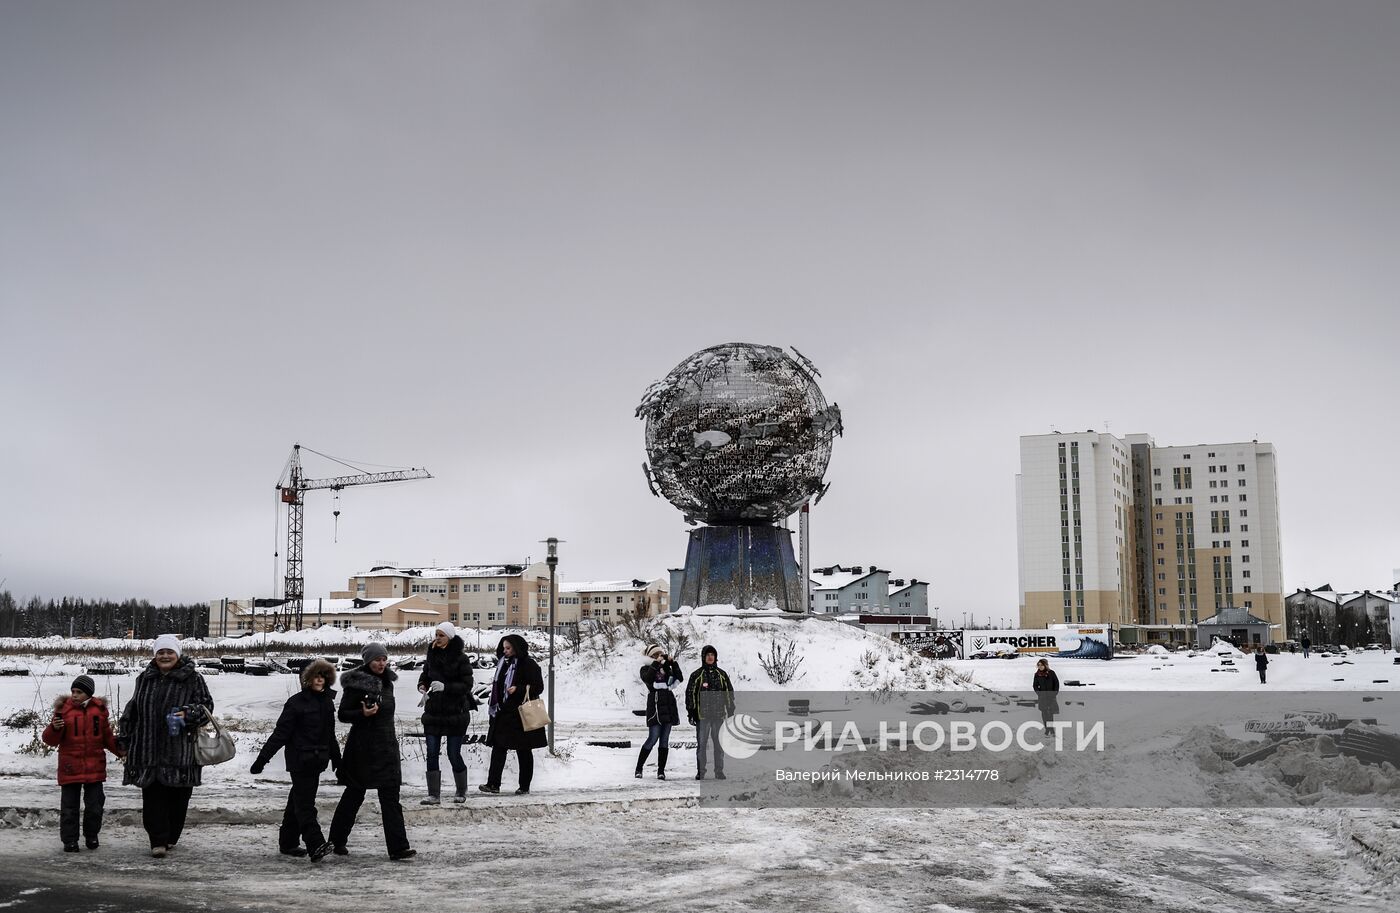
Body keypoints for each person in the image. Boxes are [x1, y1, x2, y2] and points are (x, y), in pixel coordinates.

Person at [118, 634, 213, 858]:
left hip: (180, 751)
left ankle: (170, 838)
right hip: (147, 748)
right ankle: (157, 841)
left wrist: (188, 713)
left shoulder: (192, 678)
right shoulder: (144, 678)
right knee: (153, 797)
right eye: (161, 652)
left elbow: (206, 706)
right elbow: (132, 710)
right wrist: (125, 737)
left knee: (178, 800)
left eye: (169, 652)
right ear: (155, 655)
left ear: (177, 654)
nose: (165, 656)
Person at [328, 643, 415, 860]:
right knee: (353, 796)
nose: (381, 663)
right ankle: (336, 840)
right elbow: (343, 714)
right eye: (377, 659)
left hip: (386, 747)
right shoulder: (356, 682)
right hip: (363, 749)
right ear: (368, 661)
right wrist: (362, 713)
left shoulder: (388, 683)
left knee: (391, 799)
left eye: (384, 659)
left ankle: (398, 847)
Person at [250, 659, 340, 861]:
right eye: (315, 676)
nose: (319, 680)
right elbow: (280, 734)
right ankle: (315, 844)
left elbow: (330, 734)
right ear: (306, 679)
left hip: (318, 761)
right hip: (300, 761)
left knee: (297, 801)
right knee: (306, 805)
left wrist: (337, 759)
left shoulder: (327, 702)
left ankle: (288, 842)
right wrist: (262, 760)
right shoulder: (296, 703)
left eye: (322, 676)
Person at [42, 674, 123, 852]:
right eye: (73, 691)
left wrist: (122, 752)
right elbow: (50, 740)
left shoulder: (99, 712)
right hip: (70, 768)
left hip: (95, 767)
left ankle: (92, 835)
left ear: (89, 694)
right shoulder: (64, 711)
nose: (75, 695)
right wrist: (54, 728)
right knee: (69, 808)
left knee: (95, 806)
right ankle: (70, 840)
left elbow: (107, 738)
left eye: (79, 692)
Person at [478, 633, 546, 796]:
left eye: (508, 648)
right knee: (499, 747)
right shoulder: (503, 664)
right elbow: (499, 685)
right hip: (503, 713)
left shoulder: (529, 665)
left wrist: (519, 689)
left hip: (521, 714)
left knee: (523, 750)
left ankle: (524, 786)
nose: (505, 651)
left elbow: (538, 687)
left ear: (517, 648)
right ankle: (493, 784)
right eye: (504, 648)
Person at [417, 621, 476, 804]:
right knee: (432, 752)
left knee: (453, 753)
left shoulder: (461, 658)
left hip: (455, 713)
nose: (437, 638)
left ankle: (461, 790)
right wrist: (422, 685)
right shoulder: (431, 655)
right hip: (434, 711)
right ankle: (433, 794)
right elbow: (425, 675)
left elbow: (467, 685)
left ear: (450, 637)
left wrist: (446, 687)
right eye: (436, 634)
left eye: (441, 635)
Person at [685, 644, 735, 781]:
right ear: (703, 657)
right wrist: (692, 712)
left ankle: (719, 771)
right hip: (703, 717)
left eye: (712, 655)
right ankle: (701, 771)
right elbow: (690, 694)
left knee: (719, 745)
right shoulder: (696, 675)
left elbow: (729, 693)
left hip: (718, 716)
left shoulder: (722, 675)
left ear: (716, 657)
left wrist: (730, 709)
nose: (710, 657)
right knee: (701, 746)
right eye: (708, 655)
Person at [636, 644, 683, 780]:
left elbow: (679, 678)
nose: (659, 656)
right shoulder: (645, 668)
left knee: (664, 740)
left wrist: (673, 663)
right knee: (653, 737)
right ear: (650, 656)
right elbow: (648, 679)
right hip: (655, 705)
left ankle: (661, 771)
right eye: (656, 654)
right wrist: (656, 663)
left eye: (660, 654)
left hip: (668, 704)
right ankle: (639, 768)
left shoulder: (665, 668)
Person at [1032, 658, 1060, 733]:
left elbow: (1056, 684)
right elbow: (1035, 686)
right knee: (1044, 713)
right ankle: (1047, 729)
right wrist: (1039, 693)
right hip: (1042, 697)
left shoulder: (1051, 673)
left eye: (1041, 665)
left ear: (1045, 665)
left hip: (1051, 696)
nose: (1040, 666)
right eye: (1039, 665)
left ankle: (1051, 729)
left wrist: (1054, 693)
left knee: (1050, 713)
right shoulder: (1037, 674)